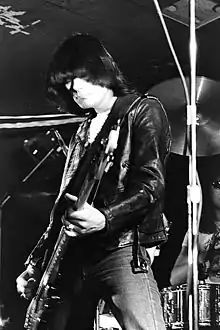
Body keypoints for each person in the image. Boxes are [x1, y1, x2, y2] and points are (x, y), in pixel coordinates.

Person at [16, 32, 171, 330]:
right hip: (72, 255)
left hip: (121, 249)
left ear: (101, 69)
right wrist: (35, 262)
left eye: (78, 77)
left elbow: (151, 184)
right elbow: (63, 207)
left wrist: (104, 218)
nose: (73, 87)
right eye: (67, 83)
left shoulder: (141, 110)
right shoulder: (82, 132)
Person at [170, 163, 220, 286]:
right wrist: (202, 257)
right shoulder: (197, 231)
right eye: (218, 184)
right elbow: (174, 279)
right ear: (207, 189)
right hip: (208, 299)